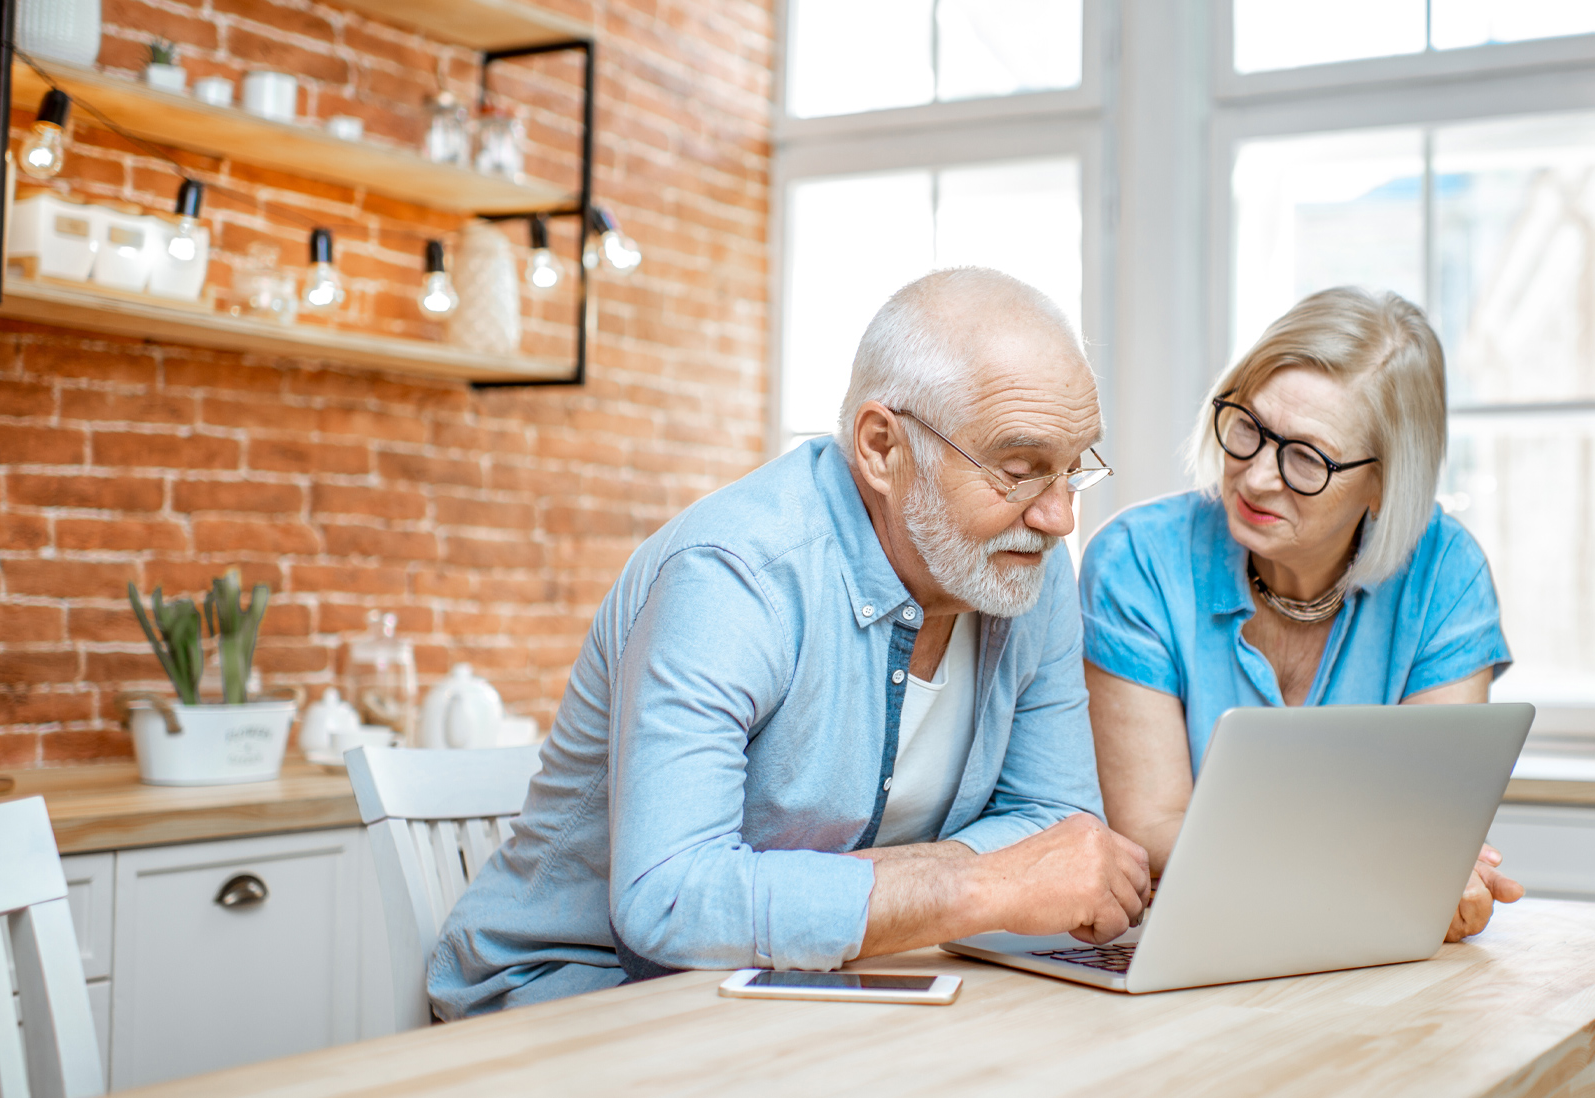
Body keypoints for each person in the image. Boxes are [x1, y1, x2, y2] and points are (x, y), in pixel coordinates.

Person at [429, 268, 1150, 1017]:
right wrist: (978, 885)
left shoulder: (1023, 566)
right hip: (581, 997)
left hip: (811, 991)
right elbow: (670, 901)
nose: (1061, 517)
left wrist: (829, 894)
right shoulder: (734, 576)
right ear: (881, 448)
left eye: (1074, 468)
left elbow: (1058, 826)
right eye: (1021, 470)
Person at [1079, 287, 1522, 943]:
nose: (1256, 477)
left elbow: (1426, 825)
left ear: (1386, 482)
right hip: (1192, 941)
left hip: (1359, 951)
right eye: (1249, 428)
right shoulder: (1135, 562)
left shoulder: (1445, 575)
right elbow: (1155, 831)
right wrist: (1405, 866)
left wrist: (1438, 867)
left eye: (1307, 458)